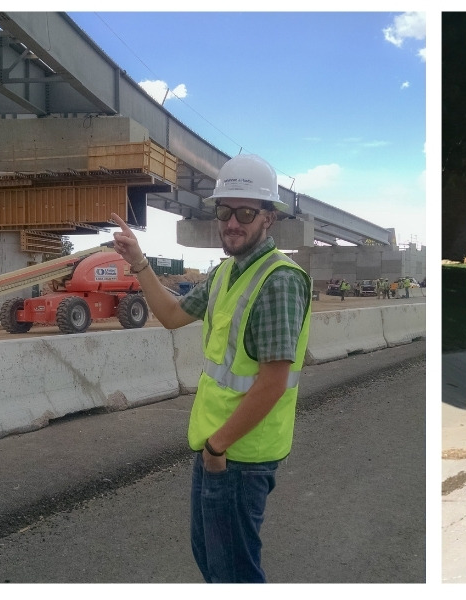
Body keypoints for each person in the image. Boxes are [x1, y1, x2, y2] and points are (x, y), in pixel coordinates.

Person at [111, 154, 311, 583]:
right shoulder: (225, 274)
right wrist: (139, 261)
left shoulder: (278, 280)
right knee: (213, 562)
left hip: (239, 454)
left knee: (233, 574)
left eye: (244, 212)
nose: (231, 223)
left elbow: (273, 382)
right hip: (217, 448)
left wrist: (218, 448)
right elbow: (170, 314)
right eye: (224, 211)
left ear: (268, 219)